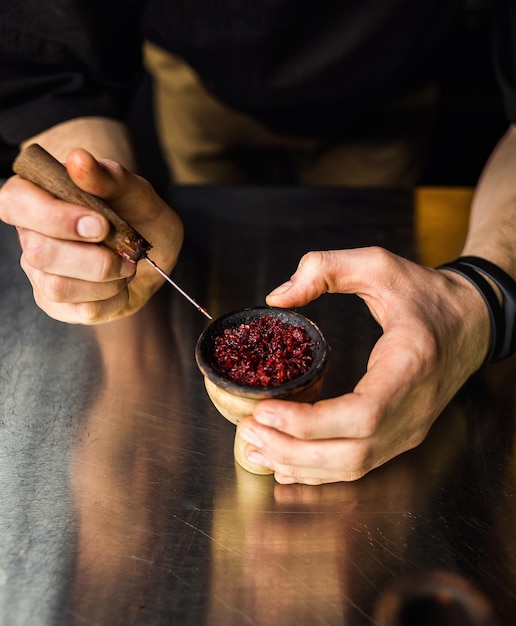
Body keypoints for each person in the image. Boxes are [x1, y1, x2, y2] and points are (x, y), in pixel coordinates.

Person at [0, 1, 515, 484]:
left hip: (386, 87)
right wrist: (98, 201)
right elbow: (55, 49)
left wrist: (478, 295)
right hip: (200, 73)